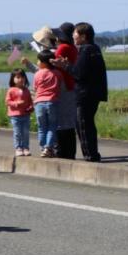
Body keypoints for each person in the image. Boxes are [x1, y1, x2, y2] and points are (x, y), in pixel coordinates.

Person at [70, 22, 108, 162]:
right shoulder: (95, 48)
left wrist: (65, 66)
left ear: (83, 36)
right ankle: (93, 154)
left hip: (84, 94)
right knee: (88, 124)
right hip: (94, 94)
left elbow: (78, 74)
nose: (73, 36)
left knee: (83, 126)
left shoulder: (85, 50)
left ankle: (90, 156)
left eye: (75, 33)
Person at [53, 23, 79, 160]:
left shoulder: (62, 48)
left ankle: (61, 151)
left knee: (60, 121)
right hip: (71, 85)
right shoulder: (73, 48)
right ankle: (70, 152)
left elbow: (54, 64)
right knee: (69, 121)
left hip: (62, 86)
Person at [32, 51, 60, 157]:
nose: (37, 62)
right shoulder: (57, 73)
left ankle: (43, 148)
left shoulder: (37, 74)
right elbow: (60, 85)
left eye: (38, 60)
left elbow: (35, 87)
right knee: (52, 126)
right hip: (52, 102)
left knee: (41, 127)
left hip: (39, 102)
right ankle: (48, 147)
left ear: (43, 63)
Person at [5, 69, 34, 157]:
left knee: (25, 132)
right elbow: (7, 102)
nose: (20, 79)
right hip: (15, 115)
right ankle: (18, 148)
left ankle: (26, 148)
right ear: (13, 79)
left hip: (25, 115)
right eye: (17, 77)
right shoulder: (11, 90)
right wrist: (16, 103)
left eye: (22, 77)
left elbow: (30, 101)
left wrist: (31, 107)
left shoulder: (26, 90)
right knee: (17, 132)